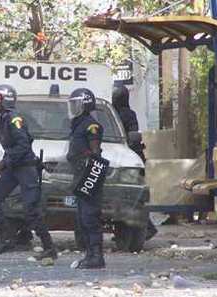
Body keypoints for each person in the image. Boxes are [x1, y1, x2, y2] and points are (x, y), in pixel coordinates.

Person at [0, 84, 57, 260]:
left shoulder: (14, 119)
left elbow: (23, 145)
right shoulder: (3, 118)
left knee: (31, 209)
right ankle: (6, 239)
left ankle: (49, 247)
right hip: (13, 167)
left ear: (5, 101)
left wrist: (3, 164)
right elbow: (10, 147)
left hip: (25, 168)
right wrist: (1, 165)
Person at [112, 85, 158, 240]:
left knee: (132, 197)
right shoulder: (127, 113)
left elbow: (133, 135)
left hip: (128, 159)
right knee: (132, 197)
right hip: (131, 159)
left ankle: (146, 227)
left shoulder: (118, 114)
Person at [67, 88, 105, 269]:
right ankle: (89, 254)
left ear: (85, 105)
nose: (73, 108)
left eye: (76, 104)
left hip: (89, 175)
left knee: (90, 216)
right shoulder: (77, 124)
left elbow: (95, 152)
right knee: (82, 217)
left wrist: (89, 174)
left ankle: (97, 256)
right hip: (80, 174)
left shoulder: (91, 125)